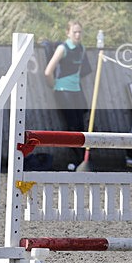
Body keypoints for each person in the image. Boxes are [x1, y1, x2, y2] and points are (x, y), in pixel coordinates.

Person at [45, 20, 89, 170]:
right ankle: (75, 159)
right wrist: (54, 86)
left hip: (76, 90)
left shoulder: (82, 49)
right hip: (63, 90)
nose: (77, 35)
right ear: (68, 33)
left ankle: (82, 159)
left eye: (79, 32)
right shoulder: (62, 48)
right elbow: (48, 72)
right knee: (72, 126)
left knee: (81, 125)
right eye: (74, 32)